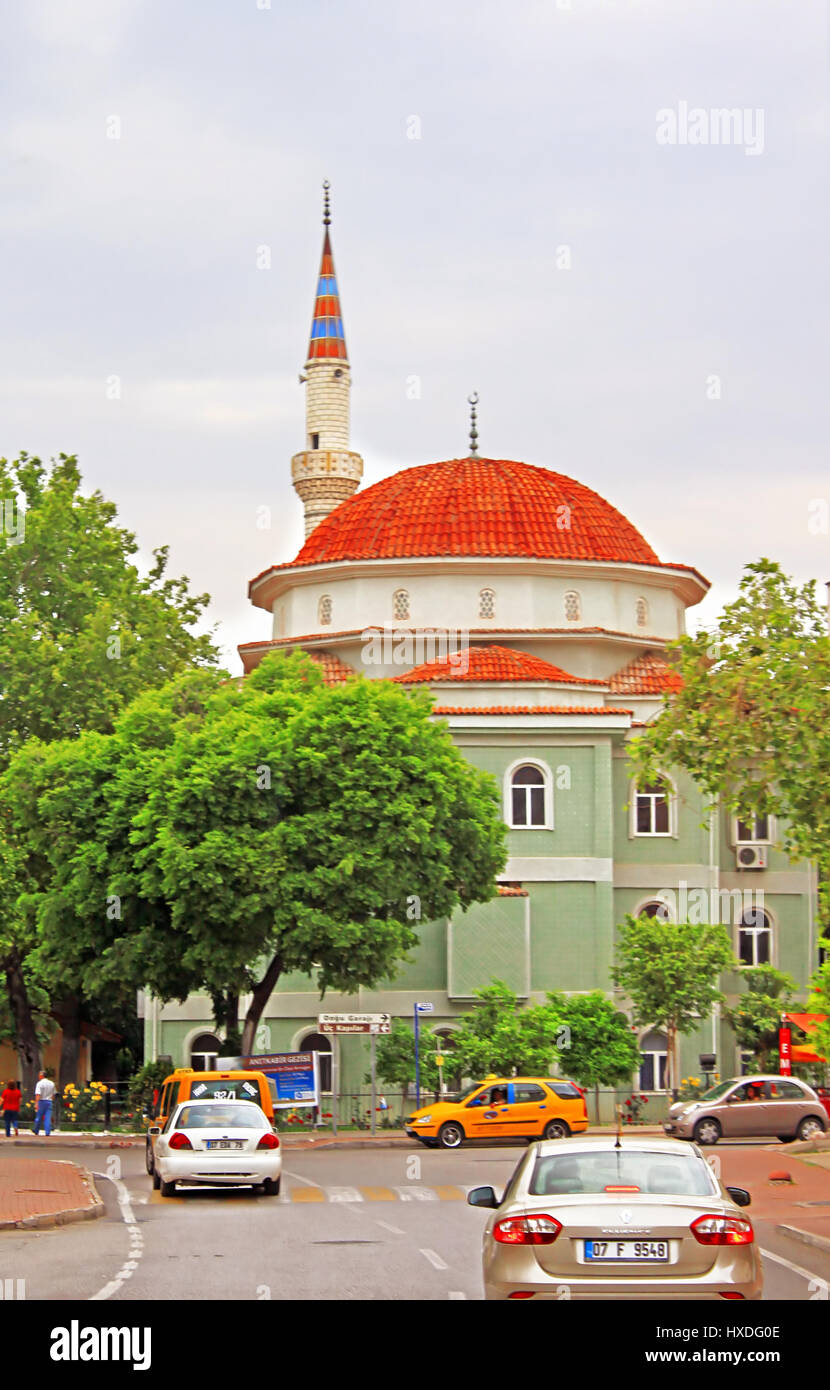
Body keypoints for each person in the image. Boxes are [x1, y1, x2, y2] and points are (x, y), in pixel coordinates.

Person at [33, 1071, 56, 1136]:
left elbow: (38, 1094)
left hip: (41, 1101)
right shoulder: (52, 1083)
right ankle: (47, 1132)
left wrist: (36, 1103)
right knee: (47, 1117)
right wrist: (51, 1100)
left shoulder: (39, 1084)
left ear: (41, 1076)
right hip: (49, 1101)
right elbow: (53, 1094)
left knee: (38, 1117)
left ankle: (36, 1130)